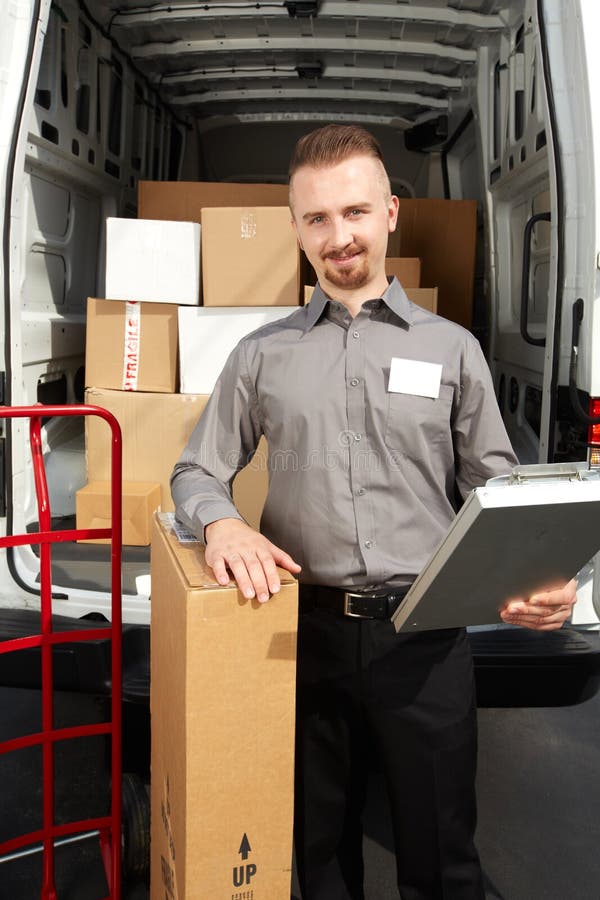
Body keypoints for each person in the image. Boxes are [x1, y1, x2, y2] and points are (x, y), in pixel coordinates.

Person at [171, 124, 577, 900]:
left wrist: (538, 576)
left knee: (442, 861)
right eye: (316, 218)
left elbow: (498, 490)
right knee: (319, 860)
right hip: (298, 639)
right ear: (294, 227)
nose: (338, 236)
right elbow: (196, 469)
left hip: (423, 641)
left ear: (391, 212)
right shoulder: (261, 355)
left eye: (354, 212)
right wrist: (220, 522)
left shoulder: (454, 350)